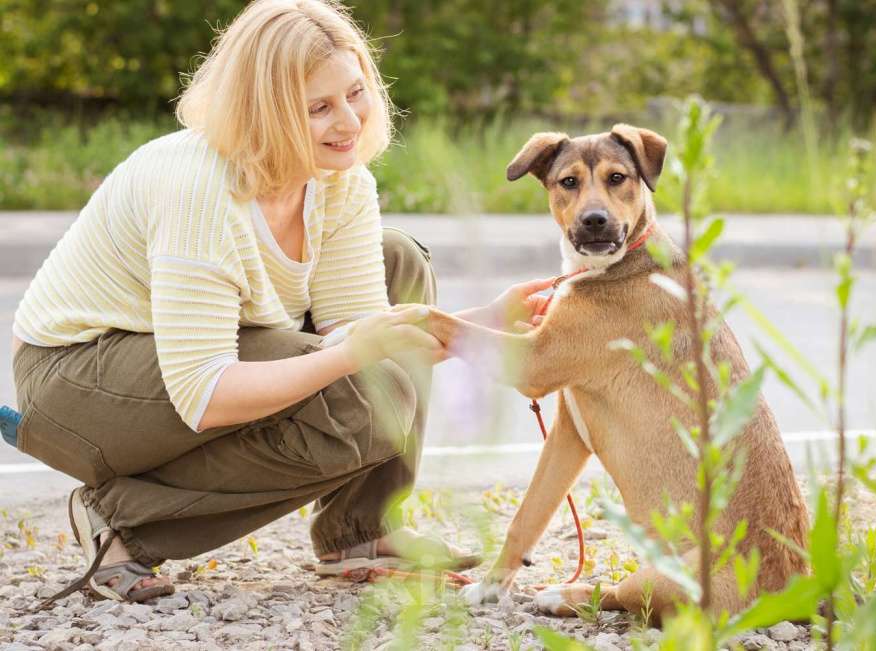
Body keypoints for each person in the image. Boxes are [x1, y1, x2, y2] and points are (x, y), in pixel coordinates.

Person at [10, 0, 552, 604]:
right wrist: (351, 360)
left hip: (174, 359)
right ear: (263, 112)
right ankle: (122, 518)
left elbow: (366, 332)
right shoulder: (199, 188)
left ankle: (360, 531)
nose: (348, 121)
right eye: (318, 107)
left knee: (399, 262)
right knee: (362, 400)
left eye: (355, 93)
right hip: (76, 382)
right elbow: (207, 394)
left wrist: (489, 325)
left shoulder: (341, 180)